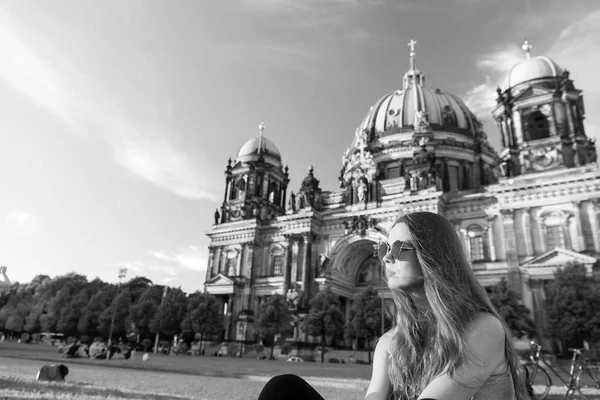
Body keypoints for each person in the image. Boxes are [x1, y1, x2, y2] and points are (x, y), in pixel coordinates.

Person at [256, 211, 529, 400]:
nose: (386, 258)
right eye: (383, 249)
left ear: (433, 256)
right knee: (284, 388)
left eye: (398, 249)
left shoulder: (483, 328)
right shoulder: (389, 343)